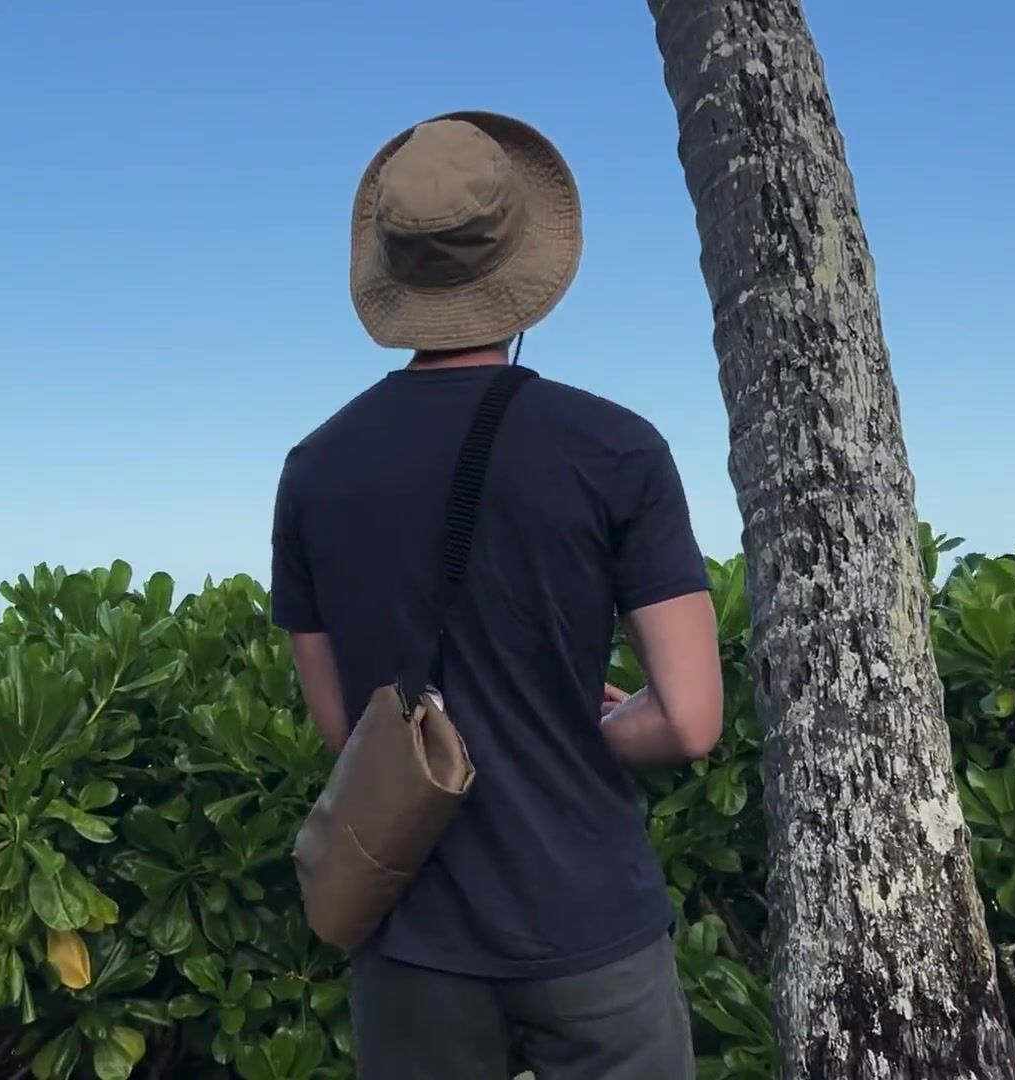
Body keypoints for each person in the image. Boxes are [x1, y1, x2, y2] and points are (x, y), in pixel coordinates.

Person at [268, 110, 725, 1078]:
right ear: (522, 266)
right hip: (589, 926)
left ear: (392, 269)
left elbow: (343, 729)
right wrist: (576, 725)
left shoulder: (315, 469)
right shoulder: (615, 449)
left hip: (409, 932)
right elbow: (688, 722)